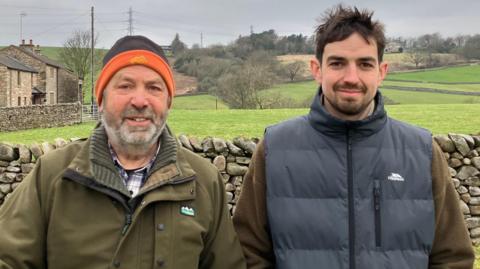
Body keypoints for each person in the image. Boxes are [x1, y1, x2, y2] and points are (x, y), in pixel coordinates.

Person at [233, 5, 474, 269]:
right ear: (317, 69)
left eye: (364, 64)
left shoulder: (422, 152)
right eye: (337, 63)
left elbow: (453, 257)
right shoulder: (275, 149)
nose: (351, 77)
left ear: (381, 72)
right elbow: (249, 254)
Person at [0, 35, 246, 269]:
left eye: (154, 88)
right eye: (125, 86)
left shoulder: (203, 180)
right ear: (101, 99)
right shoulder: (53, 175)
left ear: (168, 102)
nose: (140, 100)